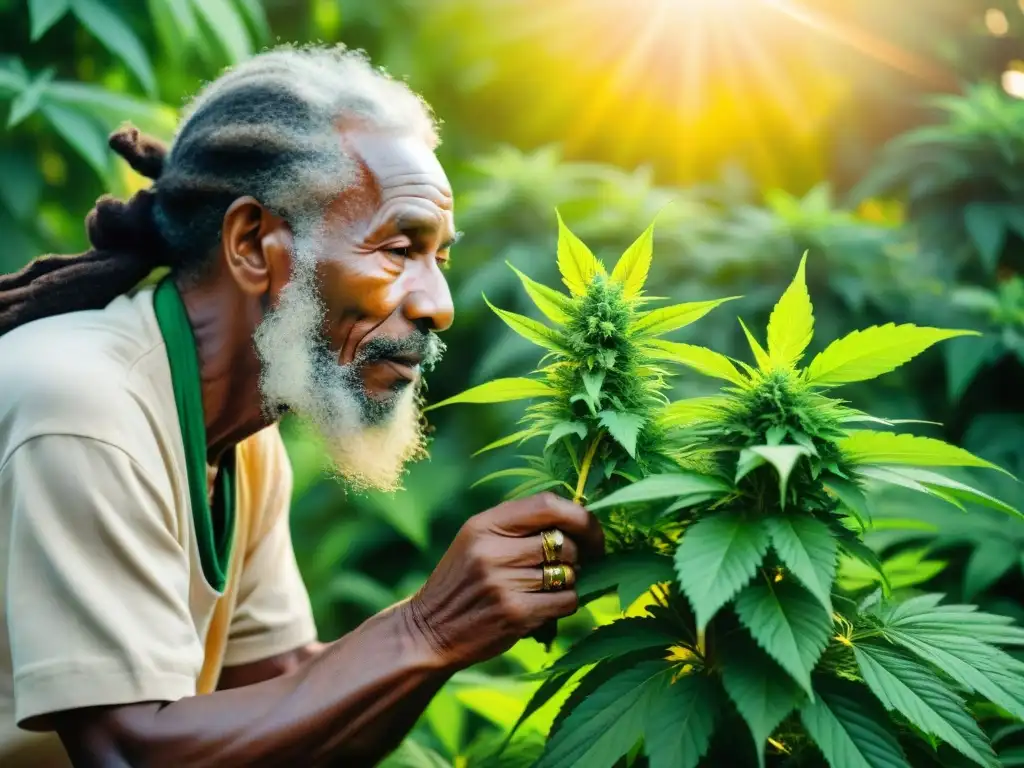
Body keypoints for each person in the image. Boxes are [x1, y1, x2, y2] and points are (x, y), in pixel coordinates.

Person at [0, 44, 603, 767]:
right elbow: (128, 754)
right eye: (397, 247)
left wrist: (452, 633)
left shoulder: (241, 440)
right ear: (254, 244)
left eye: (438, 257)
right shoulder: (85, 407)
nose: (437, 306)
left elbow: (285, 703)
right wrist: (427, 630)